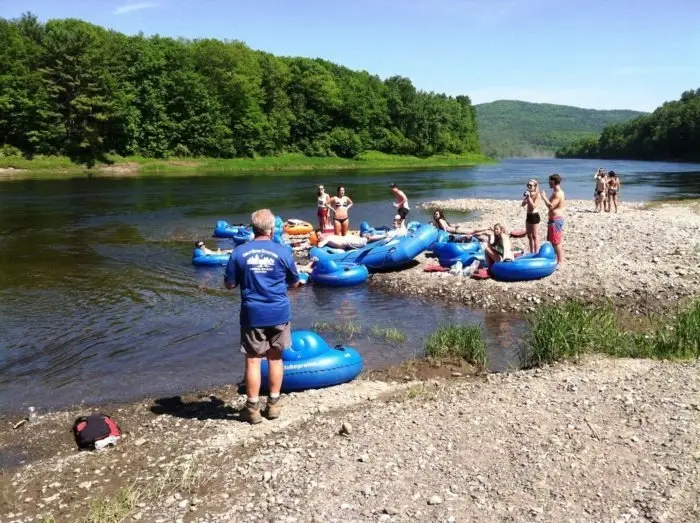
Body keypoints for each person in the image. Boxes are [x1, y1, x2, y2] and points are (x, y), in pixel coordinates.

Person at [224, 209, 301, 425]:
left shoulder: (239, 252)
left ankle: (252, 409)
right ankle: (273, 405)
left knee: (252, 360)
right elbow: (295, 282)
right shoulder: (283, 251)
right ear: (272, 228)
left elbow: (229, 284)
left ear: (253, 227)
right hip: (278, 312)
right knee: (275, 358)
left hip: (252, 314)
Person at [540, 173, 566, 264]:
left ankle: (560, 261)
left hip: (556, 219)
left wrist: (543, 197)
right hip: (553, 219)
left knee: (556, 242)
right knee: (552, 240)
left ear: (554, 182)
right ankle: (557, 259)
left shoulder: (558, 193)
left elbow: (550, 206)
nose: (548, 183)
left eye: (550, 181)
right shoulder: (555, 192)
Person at [521, 179, 541, 253]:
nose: (529, 186)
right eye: (528, 185)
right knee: (529, 236)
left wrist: (529, 197)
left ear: (535, 186)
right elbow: (523, 204)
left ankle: (536, 252)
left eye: (531, 185)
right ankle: (532, 252)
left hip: (534, 216)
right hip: (528, 216)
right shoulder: (529, 194)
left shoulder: (537, 195)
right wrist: (527, 198)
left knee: (535, 236)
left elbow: (533, 206)